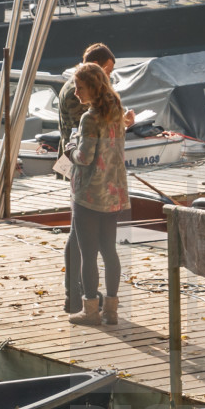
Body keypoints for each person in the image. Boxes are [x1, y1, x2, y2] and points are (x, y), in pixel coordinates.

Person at [59, 43, 134, 315]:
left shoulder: (89, 119)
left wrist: (70, 148)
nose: (75, 91)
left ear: (92, 87)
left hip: (90, 193)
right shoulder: (117, 111)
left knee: (87, 254)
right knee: (110, 251)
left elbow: (85, 156)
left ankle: (89, 311)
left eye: (80, 88)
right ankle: (111, 310)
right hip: (114, 192)